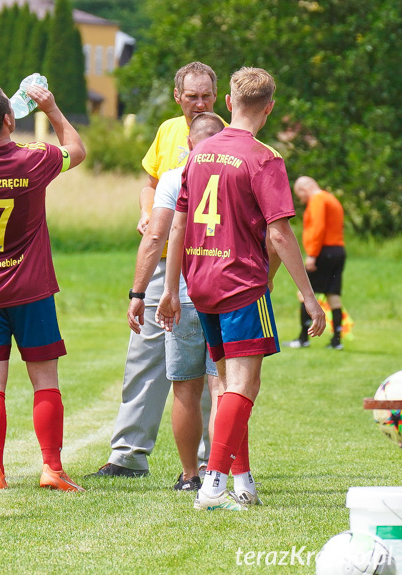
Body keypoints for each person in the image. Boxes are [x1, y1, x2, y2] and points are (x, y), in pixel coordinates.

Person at [156, 67, 326, 511]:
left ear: (228, 103)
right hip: (242, 286)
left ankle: (242, 480)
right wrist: (310, 298)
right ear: (269, 108)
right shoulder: (265, 159)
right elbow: (280, 236)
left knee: (231, 385)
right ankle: (213, 486)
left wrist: (172, 288)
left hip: (202, 283)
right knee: (242, 387)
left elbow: (178, 222)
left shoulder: (199, 152)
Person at [0, 84, 86, 491]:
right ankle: (52, 468)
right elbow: (76, 150)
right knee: (45, 379)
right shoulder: (33, 158)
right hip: (32, 289)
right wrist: (53, 108)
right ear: (10, 119)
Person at [91, 61, 222, 479]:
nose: (199, 103)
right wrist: (148, 211)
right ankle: (128, 455)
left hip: (208, 262)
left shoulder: (226, 133)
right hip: (165, 260)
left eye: (206, 96)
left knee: (202, 366)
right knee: (144, 356)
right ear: (177, 97)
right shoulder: (168, 131)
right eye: (192, 96)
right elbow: (150, 181)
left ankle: (207, 459)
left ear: (216, 97)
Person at [126, 112, 225, 491]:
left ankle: (190, 476)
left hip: (183, 288)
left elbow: (155, 237)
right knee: (222, 387)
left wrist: (139, 293)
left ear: (188, 145)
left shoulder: (173, 177)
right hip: (227, 289)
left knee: (185, 387)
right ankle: (220, 471)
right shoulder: (240, 171)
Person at [287, 176, 346, 350]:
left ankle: (303, 338)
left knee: (304, 293)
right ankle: (336, 341)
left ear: (304, 190)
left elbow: (317, 227)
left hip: (323, 252)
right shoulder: (331, 198)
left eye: (300, 195)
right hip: (338, 250)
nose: (301, 200)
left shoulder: (317, 200)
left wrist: (312, 254)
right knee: (333, 294)